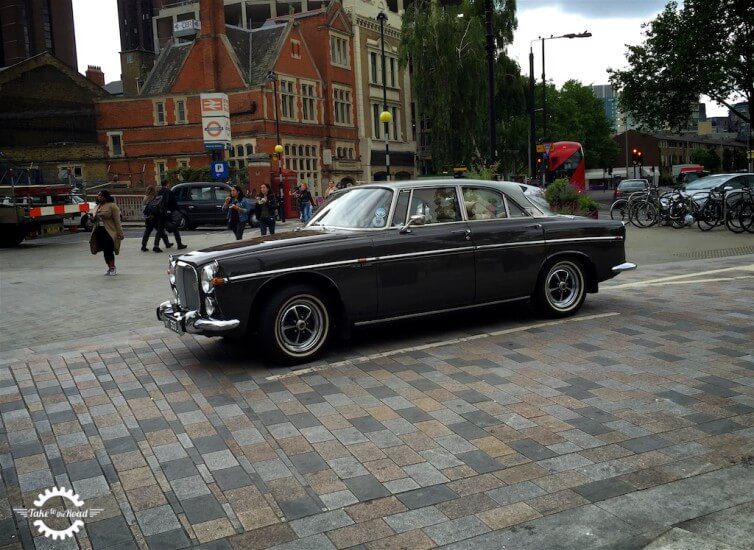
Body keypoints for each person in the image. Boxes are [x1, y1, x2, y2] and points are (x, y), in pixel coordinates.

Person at [90, 190, 124, 276]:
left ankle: (112, 267)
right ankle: (109, 267)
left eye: (102, 196)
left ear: (106, 197)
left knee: (109, 250)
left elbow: (117, 221)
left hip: (109, 231)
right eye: (99, 196)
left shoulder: (112, 206)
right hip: (98, 230)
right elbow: (94, 219)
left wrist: (120, 233)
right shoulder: (97, 206)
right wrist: (92, 218)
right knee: (104, 250)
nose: (100, 197)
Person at [157, 180, 187, 250]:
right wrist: (178, 211)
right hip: (170, 212)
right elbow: (174, 203)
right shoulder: (169, 192)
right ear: (167, 184)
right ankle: (179, 244)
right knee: (175, 228)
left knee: (160, 229)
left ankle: (157, 245)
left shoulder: (159, 192)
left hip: (161, 213)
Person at [141, 185, 171, 252]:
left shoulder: (145, 198)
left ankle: (143, 245)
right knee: (160, 231)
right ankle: (158, 245)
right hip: (155, 217)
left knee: (147, 232)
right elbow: (158, 207)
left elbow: (144, 209)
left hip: (148, 218)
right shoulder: (154, 198)